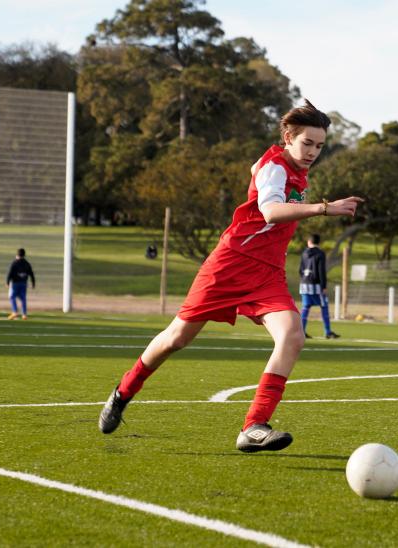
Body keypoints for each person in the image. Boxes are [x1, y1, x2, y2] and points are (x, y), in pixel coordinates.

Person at [97, 101, 364, 453]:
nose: (314, 152)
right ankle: (123, 392)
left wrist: (262, 174)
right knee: (176, 338)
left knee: (293, 337)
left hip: (266, 273)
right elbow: (270, 211)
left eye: (320, 145)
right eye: (307, 144)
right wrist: (323, 207)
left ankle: (254, 426)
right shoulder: (277, 167)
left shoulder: (289, 167)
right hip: (230, 264)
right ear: (288, 138)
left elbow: (256, 168)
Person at [299, 234, 340, 339]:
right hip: (315, 285)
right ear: (319, 243)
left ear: (309, 242)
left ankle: (301, 331)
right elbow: (321, 271)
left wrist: (304, 279)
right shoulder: (320, 253)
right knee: (324, 306)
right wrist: (324, 286)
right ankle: (328, 331)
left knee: (305, 307)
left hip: (304, 284)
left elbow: (300, 270)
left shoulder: (304, 253)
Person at [6, 248, 36, 320]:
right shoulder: (27, 263)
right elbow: (31, 273)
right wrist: (33, 282)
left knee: (12, 297)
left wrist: (7, 281)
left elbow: (10, 272)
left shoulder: (14, 263)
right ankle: (24, 314)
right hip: (24, 283)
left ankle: (15, 311)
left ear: (17, 255)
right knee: (23, 298)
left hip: (15, 283)